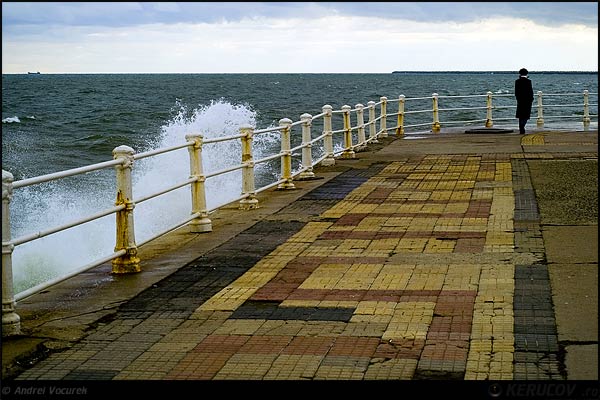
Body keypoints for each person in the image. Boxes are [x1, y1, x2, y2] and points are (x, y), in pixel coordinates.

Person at [514, 68, 534, 134]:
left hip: (520, 100)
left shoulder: (517, 81)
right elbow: (530, 91)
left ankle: (521, 128)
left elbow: (516, 92)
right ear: (526, 73)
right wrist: (531, 99)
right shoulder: (528, 81)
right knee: (526, 115)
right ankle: (522, 126)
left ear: (520, 73)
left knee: (520, 115)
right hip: (527, 101)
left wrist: (518, 98)